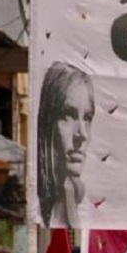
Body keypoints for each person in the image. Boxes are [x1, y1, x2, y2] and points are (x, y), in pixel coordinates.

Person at [37, 61, 94, 227]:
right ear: (47, 121)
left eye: (87, 118)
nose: (82, 134)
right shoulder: (35, 204)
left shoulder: (72, 197)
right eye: (68, 115)